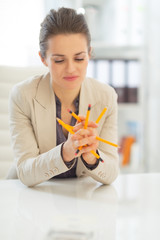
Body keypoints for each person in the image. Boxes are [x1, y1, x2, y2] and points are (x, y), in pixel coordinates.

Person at [8, 7, 119, 187]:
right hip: (29, 197)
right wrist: (66, 152)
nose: (70, 69)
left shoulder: (106, 96)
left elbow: (111, 172)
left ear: (89, 53)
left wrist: (92, 156)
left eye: (79, 58)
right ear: (43, 58)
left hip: (78, 198)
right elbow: (25, 172)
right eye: (59, 60)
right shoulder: (23, 95)